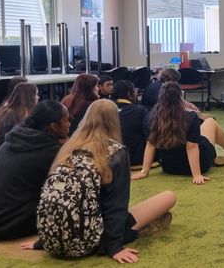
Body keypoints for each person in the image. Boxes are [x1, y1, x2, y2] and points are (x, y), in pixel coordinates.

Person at [25, 99, 176, 263]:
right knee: (169, 197)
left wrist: (43, 241)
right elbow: (116, 205)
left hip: (55, 240)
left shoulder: (68, 148)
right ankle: (137, 231)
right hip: (92, 240)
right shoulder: (116, 152)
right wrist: (115, 247)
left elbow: (56, 197)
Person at [0, 100, 69, 240]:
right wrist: (68, 147)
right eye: (67, 120)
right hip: (2, 224)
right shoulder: (50, 151)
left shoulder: (14, 139)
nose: (69, 124)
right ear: (54, 126)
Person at [132, 82, 224, 185]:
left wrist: (144, 171)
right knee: (210, 122)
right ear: (180, 97)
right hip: (200, 164)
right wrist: (196, 175)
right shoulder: (190, 117)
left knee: (199, 134)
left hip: (169, 167)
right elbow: (191, 147)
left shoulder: (149, 118)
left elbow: (150, 145)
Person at [0, 83, 39, 171]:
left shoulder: (5, 110)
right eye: (36, 94)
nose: (38, 97)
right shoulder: (19, 115)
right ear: (29, 97)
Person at [113, 80, 150, 165]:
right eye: (135, 91)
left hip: (112, 159)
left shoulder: (104, 110)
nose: (136, 93)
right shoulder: (140, 111)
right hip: (136, 158)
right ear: (129, 94)